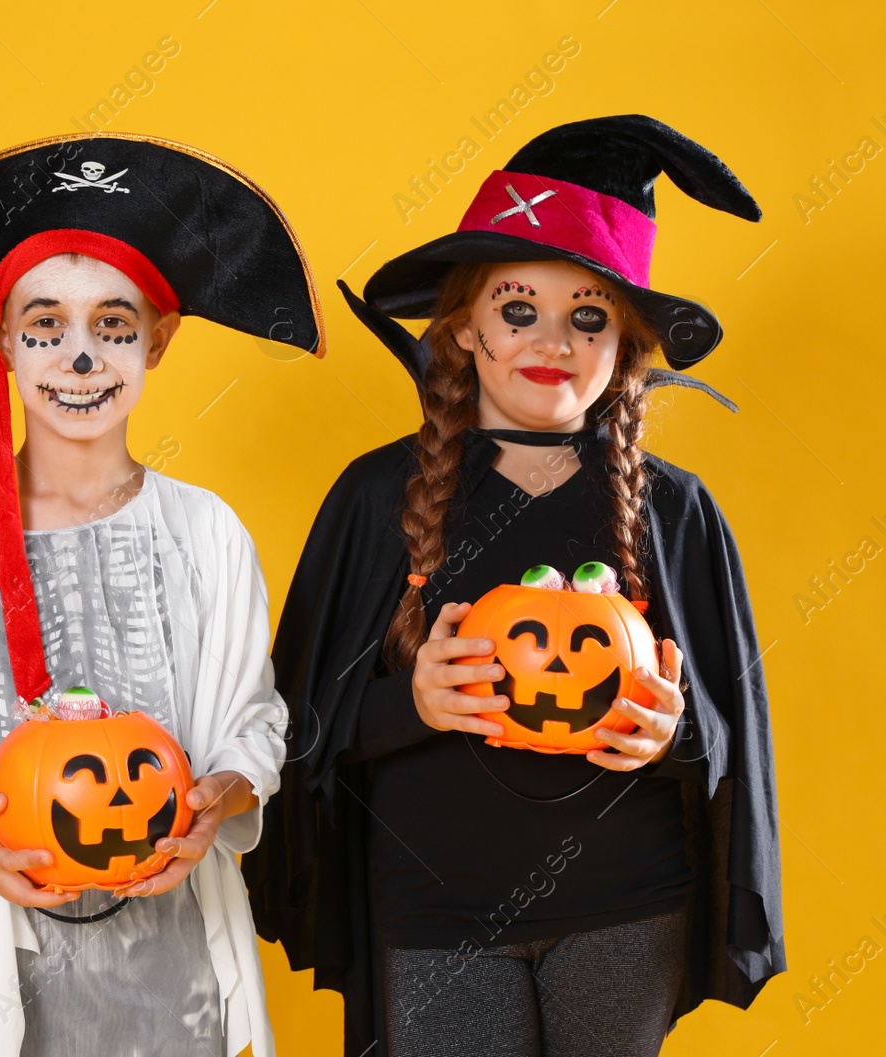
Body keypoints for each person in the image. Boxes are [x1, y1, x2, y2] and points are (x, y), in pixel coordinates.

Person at [244, 115, 784, 1057]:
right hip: (434, 905)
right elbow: (294, 727)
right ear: (462, 324)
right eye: (518, 308)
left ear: (626, 345)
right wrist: (410, 702)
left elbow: (729, 738)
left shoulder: (675, 510)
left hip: (628, 903)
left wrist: (673, 730)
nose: (554, 341)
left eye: (589, 316)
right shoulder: (378, 495)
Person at [0, 134, 321, 1057]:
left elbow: (254, 718)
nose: (78, 358)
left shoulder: (205, 533)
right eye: (44, 326)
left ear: (158, 339)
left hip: (167, 971)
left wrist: (220, 794)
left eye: (112, 325)